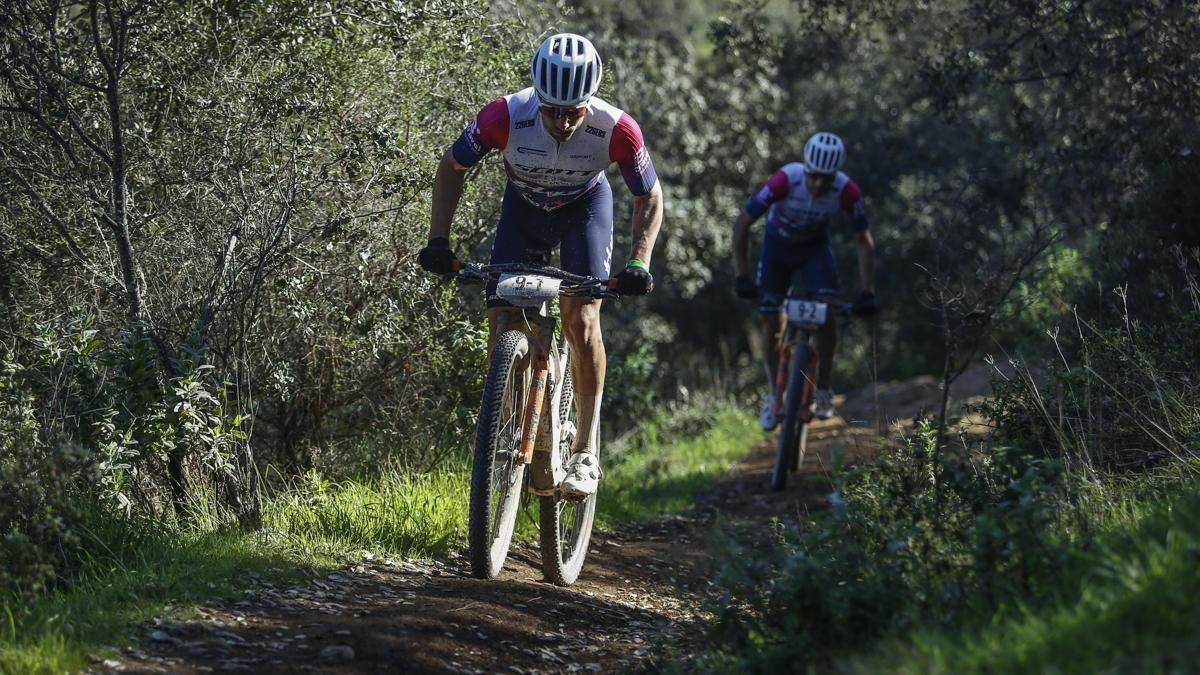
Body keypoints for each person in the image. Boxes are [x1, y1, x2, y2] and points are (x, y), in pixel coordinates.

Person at [417, 33, 664, 497]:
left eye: (574, 111)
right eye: (552, 109)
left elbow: (648, 194)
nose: (563, 121)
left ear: (590, 101)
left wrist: (639, 261)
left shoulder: (617, 129)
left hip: (584, 211)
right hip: (523, 210)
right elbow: (452, 167)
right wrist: (437, 239)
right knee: (502, 317)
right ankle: (503, 430)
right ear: (538, 96)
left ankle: (587, 451)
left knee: (582, 317)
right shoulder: (504, 116)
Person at [731, 132, 877, 430]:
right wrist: (742, 274)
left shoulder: (846, 190)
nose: (820, 184)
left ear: (834, 174)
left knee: (827, 314)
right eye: (814, 176)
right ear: (806, 168)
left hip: (814, 252)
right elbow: (743, 222)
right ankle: (775, 394)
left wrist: (867, 291)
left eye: (826, 178)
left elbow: (863, 240)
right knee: (771, 324)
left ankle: (822, 390)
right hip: (777, 249)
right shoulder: (786, 179)